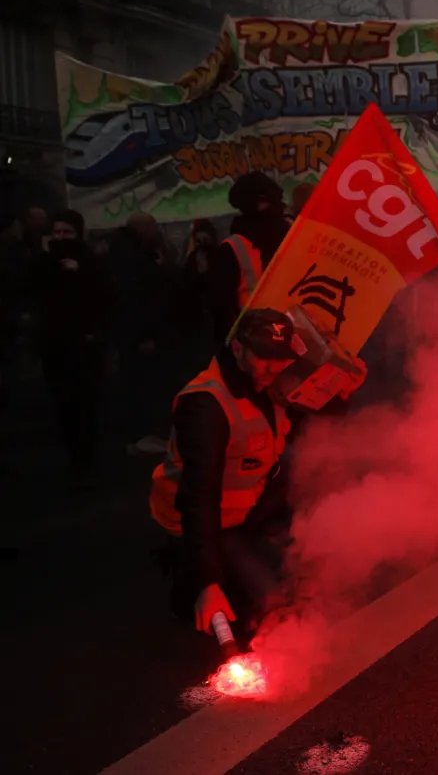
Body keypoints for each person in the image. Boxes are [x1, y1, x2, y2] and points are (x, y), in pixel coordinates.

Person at [151, 309, 303, 639]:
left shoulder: (263, 381)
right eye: (263, 356)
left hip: (246, 508)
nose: (272, 367)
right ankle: (187, 575)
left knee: (304, 579)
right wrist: (208, 582)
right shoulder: (206, 406)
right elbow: (197, 496)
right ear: (237, 349)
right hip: (205, 518)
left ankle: (213, 566)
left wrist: (342, 396)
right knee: (269, 604)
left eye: (279, 358)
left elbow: (308, 430)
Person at [25, 210, 113, 485]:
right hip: (55, 345)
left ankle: (85, 461)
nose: (61, 238)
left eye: (67, 232)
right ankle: (76, 460)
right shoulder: (43, 263)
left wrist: (81, 274)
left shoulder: (91, 262)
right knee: (64, 404)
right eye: (58, 232)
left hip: (85, 344)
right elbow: (30, 292)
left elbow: (106, 296)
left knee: (85, 403)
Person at [109, 212, 179, 455]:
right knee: (140, 384)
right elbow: (138, 298)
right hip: (138, 334)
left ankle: (139, 434)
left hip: (134, 333)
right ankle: (140, 435)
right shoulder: (132, 258)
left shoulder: (125, 253)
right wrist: (145, 335)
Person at [208, 172, 289, 343]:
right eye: (269, 201)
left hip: (293, 332)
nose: (277, 207)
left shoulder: (290, 232)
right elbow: (221, 307)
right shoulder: (234, 247)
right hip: (257, 343)